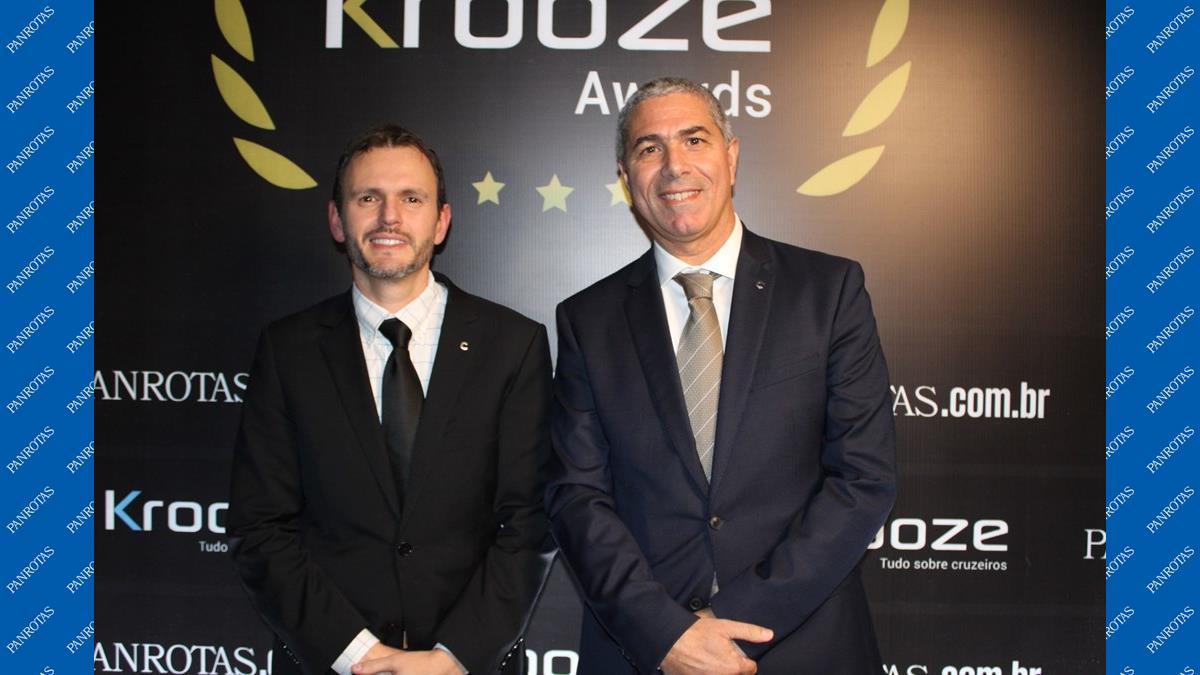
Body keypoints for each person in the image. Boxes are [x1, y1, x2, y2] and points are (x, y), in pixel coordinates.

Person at [547, 77, 897, 674]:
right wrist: (666, 635)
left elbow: (863, 478)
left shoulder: (828, 291)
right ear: (627, 177)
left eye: (694, 140)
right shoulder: (587, 319)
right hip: (647, 653)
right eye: (649, 148)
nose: (674, 166)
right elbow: (576, 496)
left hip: (804, 645)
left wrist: (732, 623)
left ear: (731, 156)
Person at [228, 124, 552, 675]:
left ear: (442, 221)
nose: (389, 218)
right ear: (337, 220)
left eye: (411, 199)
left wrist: (452, 657)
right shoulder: (288, 350)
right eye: (367, 198)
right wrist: (360, 656)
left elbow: (529, 522)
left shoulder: (513, 346)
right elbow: (260, 526)